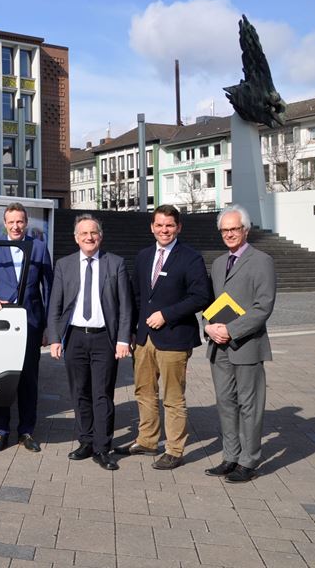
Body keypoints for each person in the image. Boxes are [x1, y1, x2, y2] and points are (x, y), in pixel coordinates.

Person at [116, 204, 210, 470]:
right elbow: (136, 296)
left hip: (174, 337)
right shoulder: (145, 256)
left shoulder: (190, 258)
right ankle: (146, 440)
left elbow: (200, 297)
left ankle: (175, 449)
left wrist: (166, 315)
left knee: (173, 396)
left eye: (169, 225)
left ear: (178, 227)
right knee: (144, 392)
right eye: (159, 225)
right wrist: (132, 330)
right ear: (152, 227)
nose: (164, 230)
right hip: (144, 339)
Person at [47, 215, 133, 471]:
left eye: (93, 233)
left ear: (100, 236)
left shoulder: (115, 263)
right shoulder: (64, 265)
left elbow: (126, 306)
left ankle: (102, 447)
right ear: (76, 238)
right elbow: (56, 305)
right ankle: (85, 441)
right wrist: (54, 338)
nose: (89, 237)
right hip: (74, 337)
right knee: (79, 392)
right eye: (83, 233)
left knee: (102, 395)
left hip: (104, 338)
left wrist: (122, 339)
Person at [203, 205, 275, 483]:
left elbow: (263, 306)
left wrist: (231, 330)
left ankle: (249, 460)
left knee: (250, 404)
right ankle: (230, 457)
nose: (230, 234)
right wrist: (208, 326)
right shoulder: (220, 263)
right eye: (225, 230)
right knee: (225, 403)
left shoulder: (262, 260)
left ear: (246, 230)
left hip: (246, 344)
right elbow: (211, 304)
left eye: (234, 229)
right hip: (218, 346)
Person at [0, 202, 53, 454]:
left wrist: (48, 329)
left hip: (31, 323)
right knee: (1, 378)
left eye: (20, 221)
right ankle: (1, 431)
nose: (16, 226)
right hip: (2, 325)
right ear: (5, 223)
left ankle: (26, 431)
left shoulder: (39, 248)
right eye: (11, 222)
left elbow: (49, 288)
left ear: (26, 222)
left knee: (28, 380)